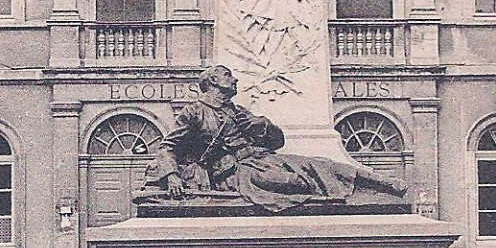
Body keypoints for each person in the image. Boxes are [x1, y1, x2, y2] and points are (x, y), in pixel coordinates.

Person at [141, 64, 406, 213]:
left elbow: (277, 141)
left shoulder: (238, 111)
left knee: (316, 165)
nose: (235, 79)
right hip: (235, 173)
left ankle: (382, 185)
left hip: (262, 160)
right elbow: (168, 147)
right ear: (212, 81)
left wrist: (259, 124)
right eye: (228, 76)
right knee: (296, 183)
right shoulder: (195, 111)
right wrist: (171, 176)